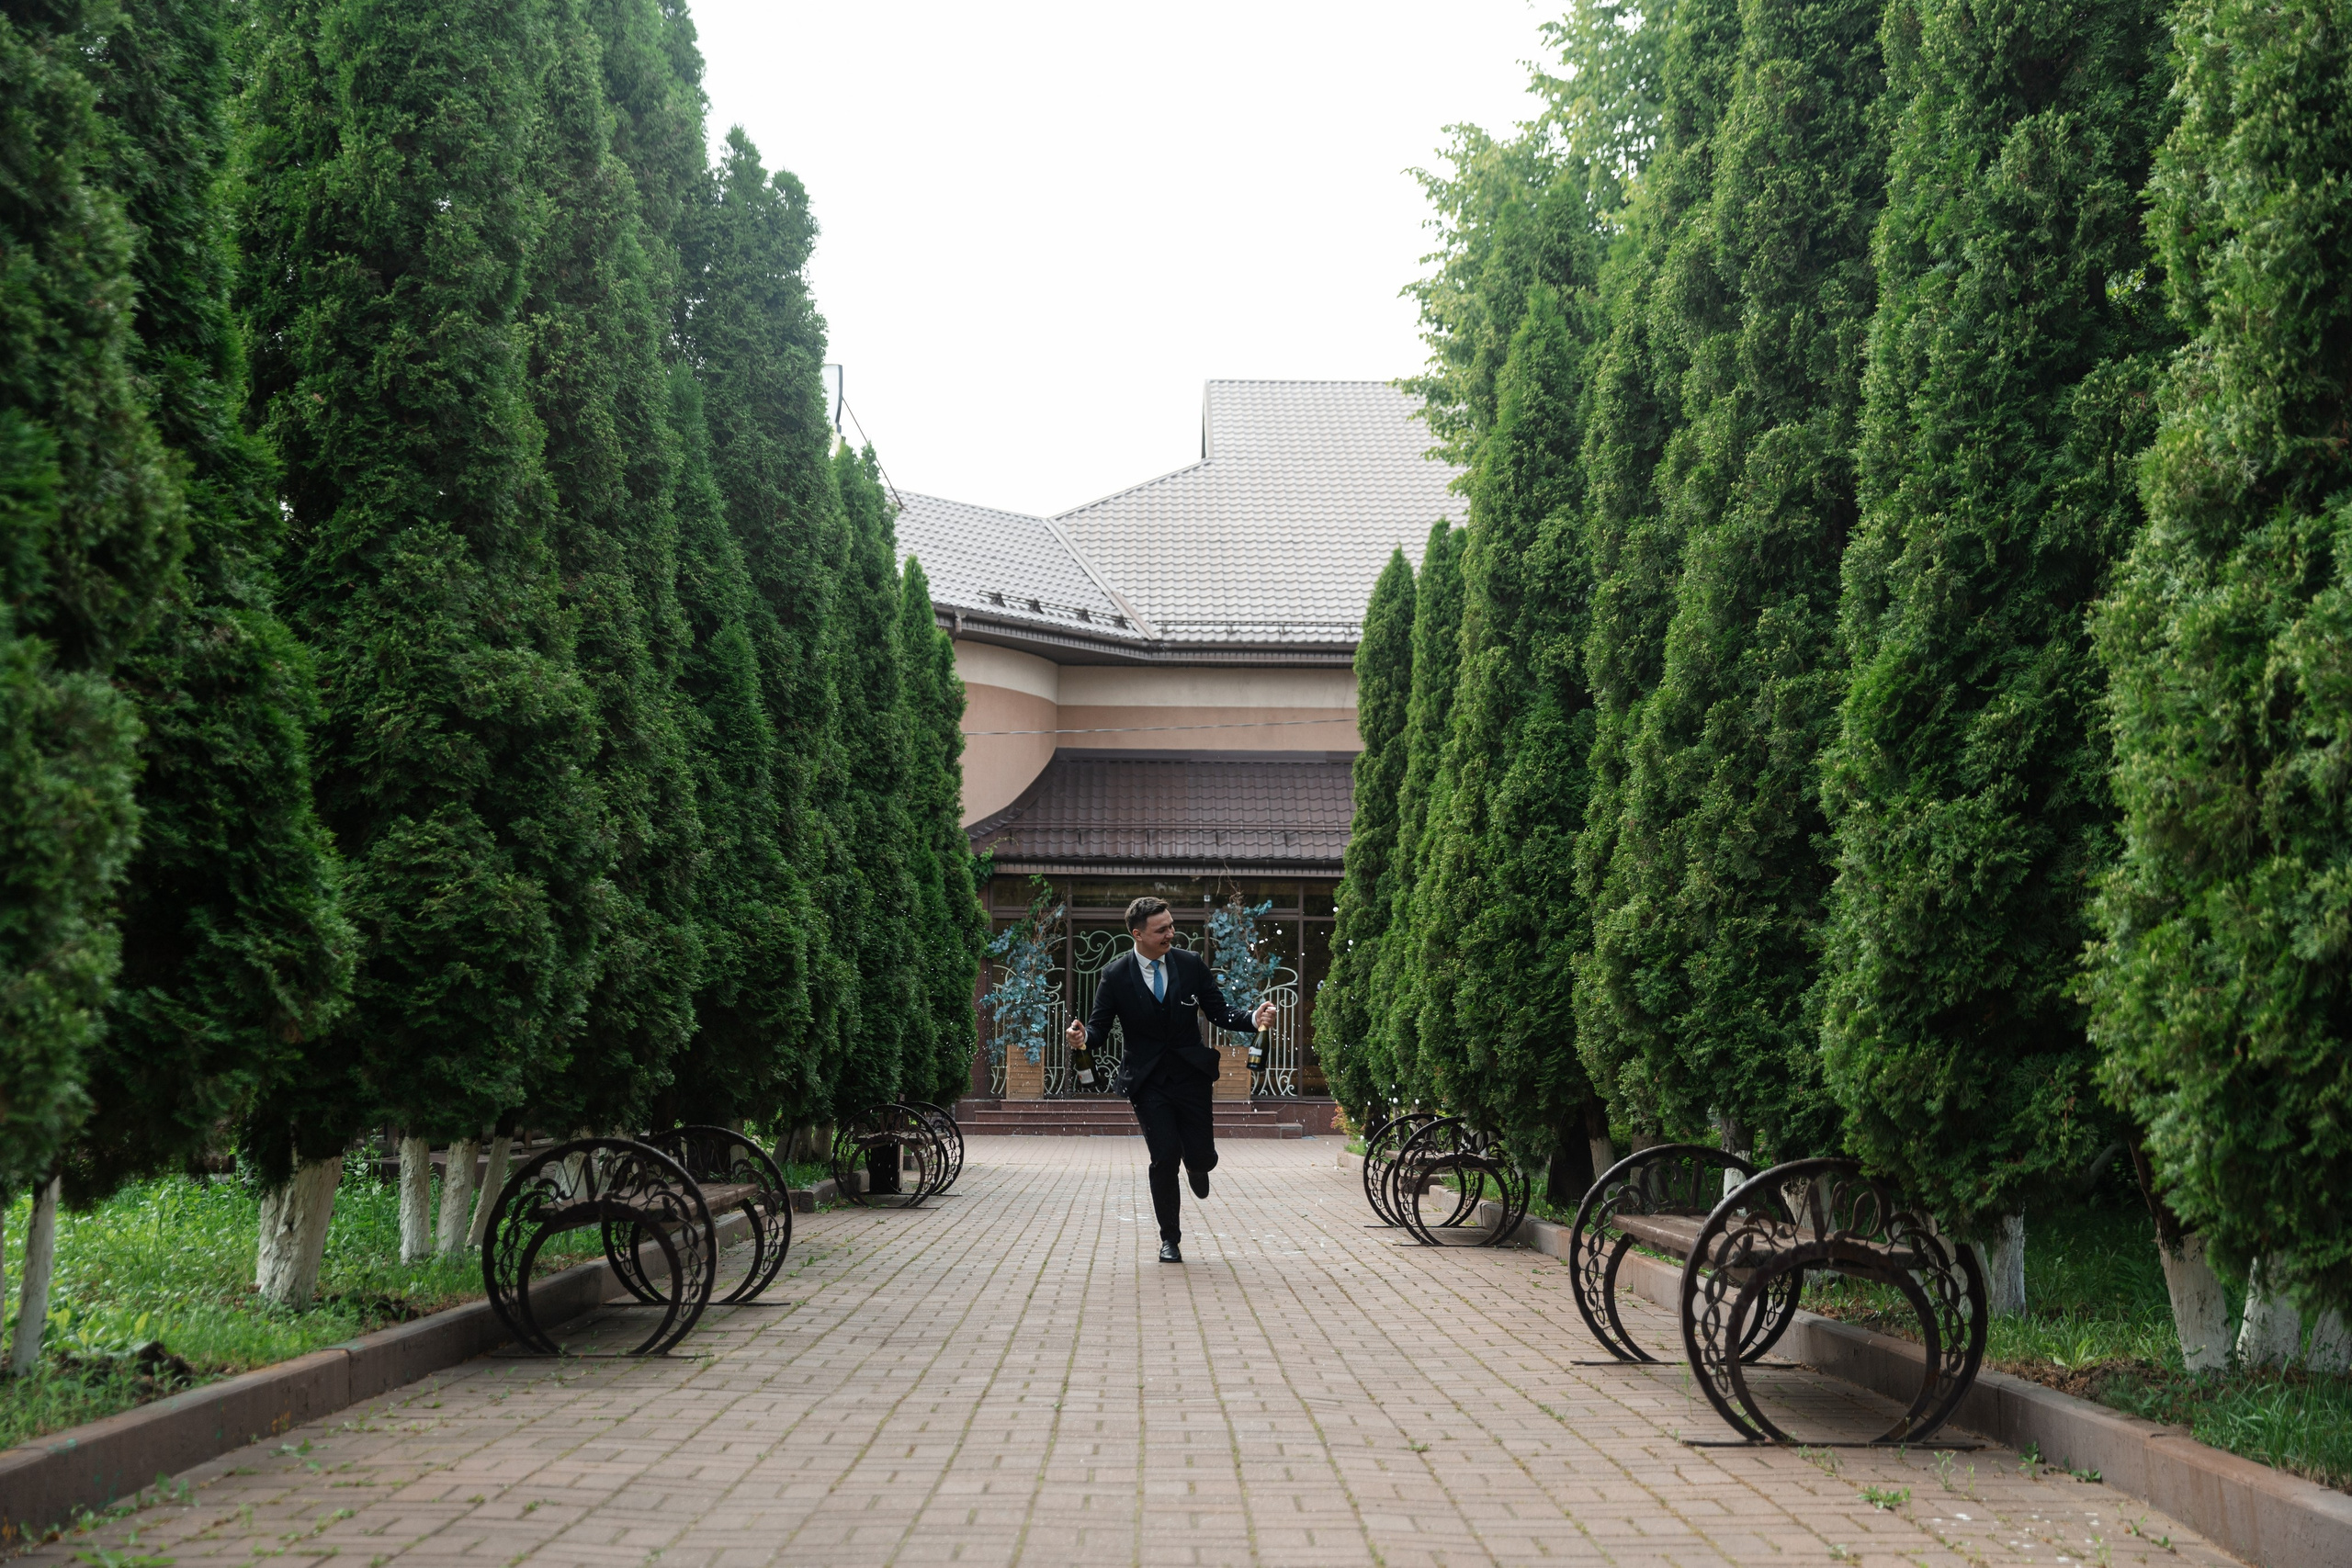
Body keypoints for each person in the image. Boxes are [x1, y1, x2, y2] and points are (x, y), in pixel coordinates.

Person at [1067, 896, 1276, 1262]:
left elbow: (1221, 1012)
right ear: (1138, 934)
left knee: (1201, 1156)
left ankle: (1198, 1165)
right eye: (1161, 929)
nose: (1170, 933)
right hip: (1147, 1081)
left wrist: (1253, 1017)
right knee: (1164, 1156)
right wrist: (1083, 1039)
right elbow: (1099, 1028)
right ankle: (1170, 1240)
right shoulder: (1115, 975)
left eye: (1171, 924)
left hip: (1191, 1074)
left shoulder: (1190, 964)